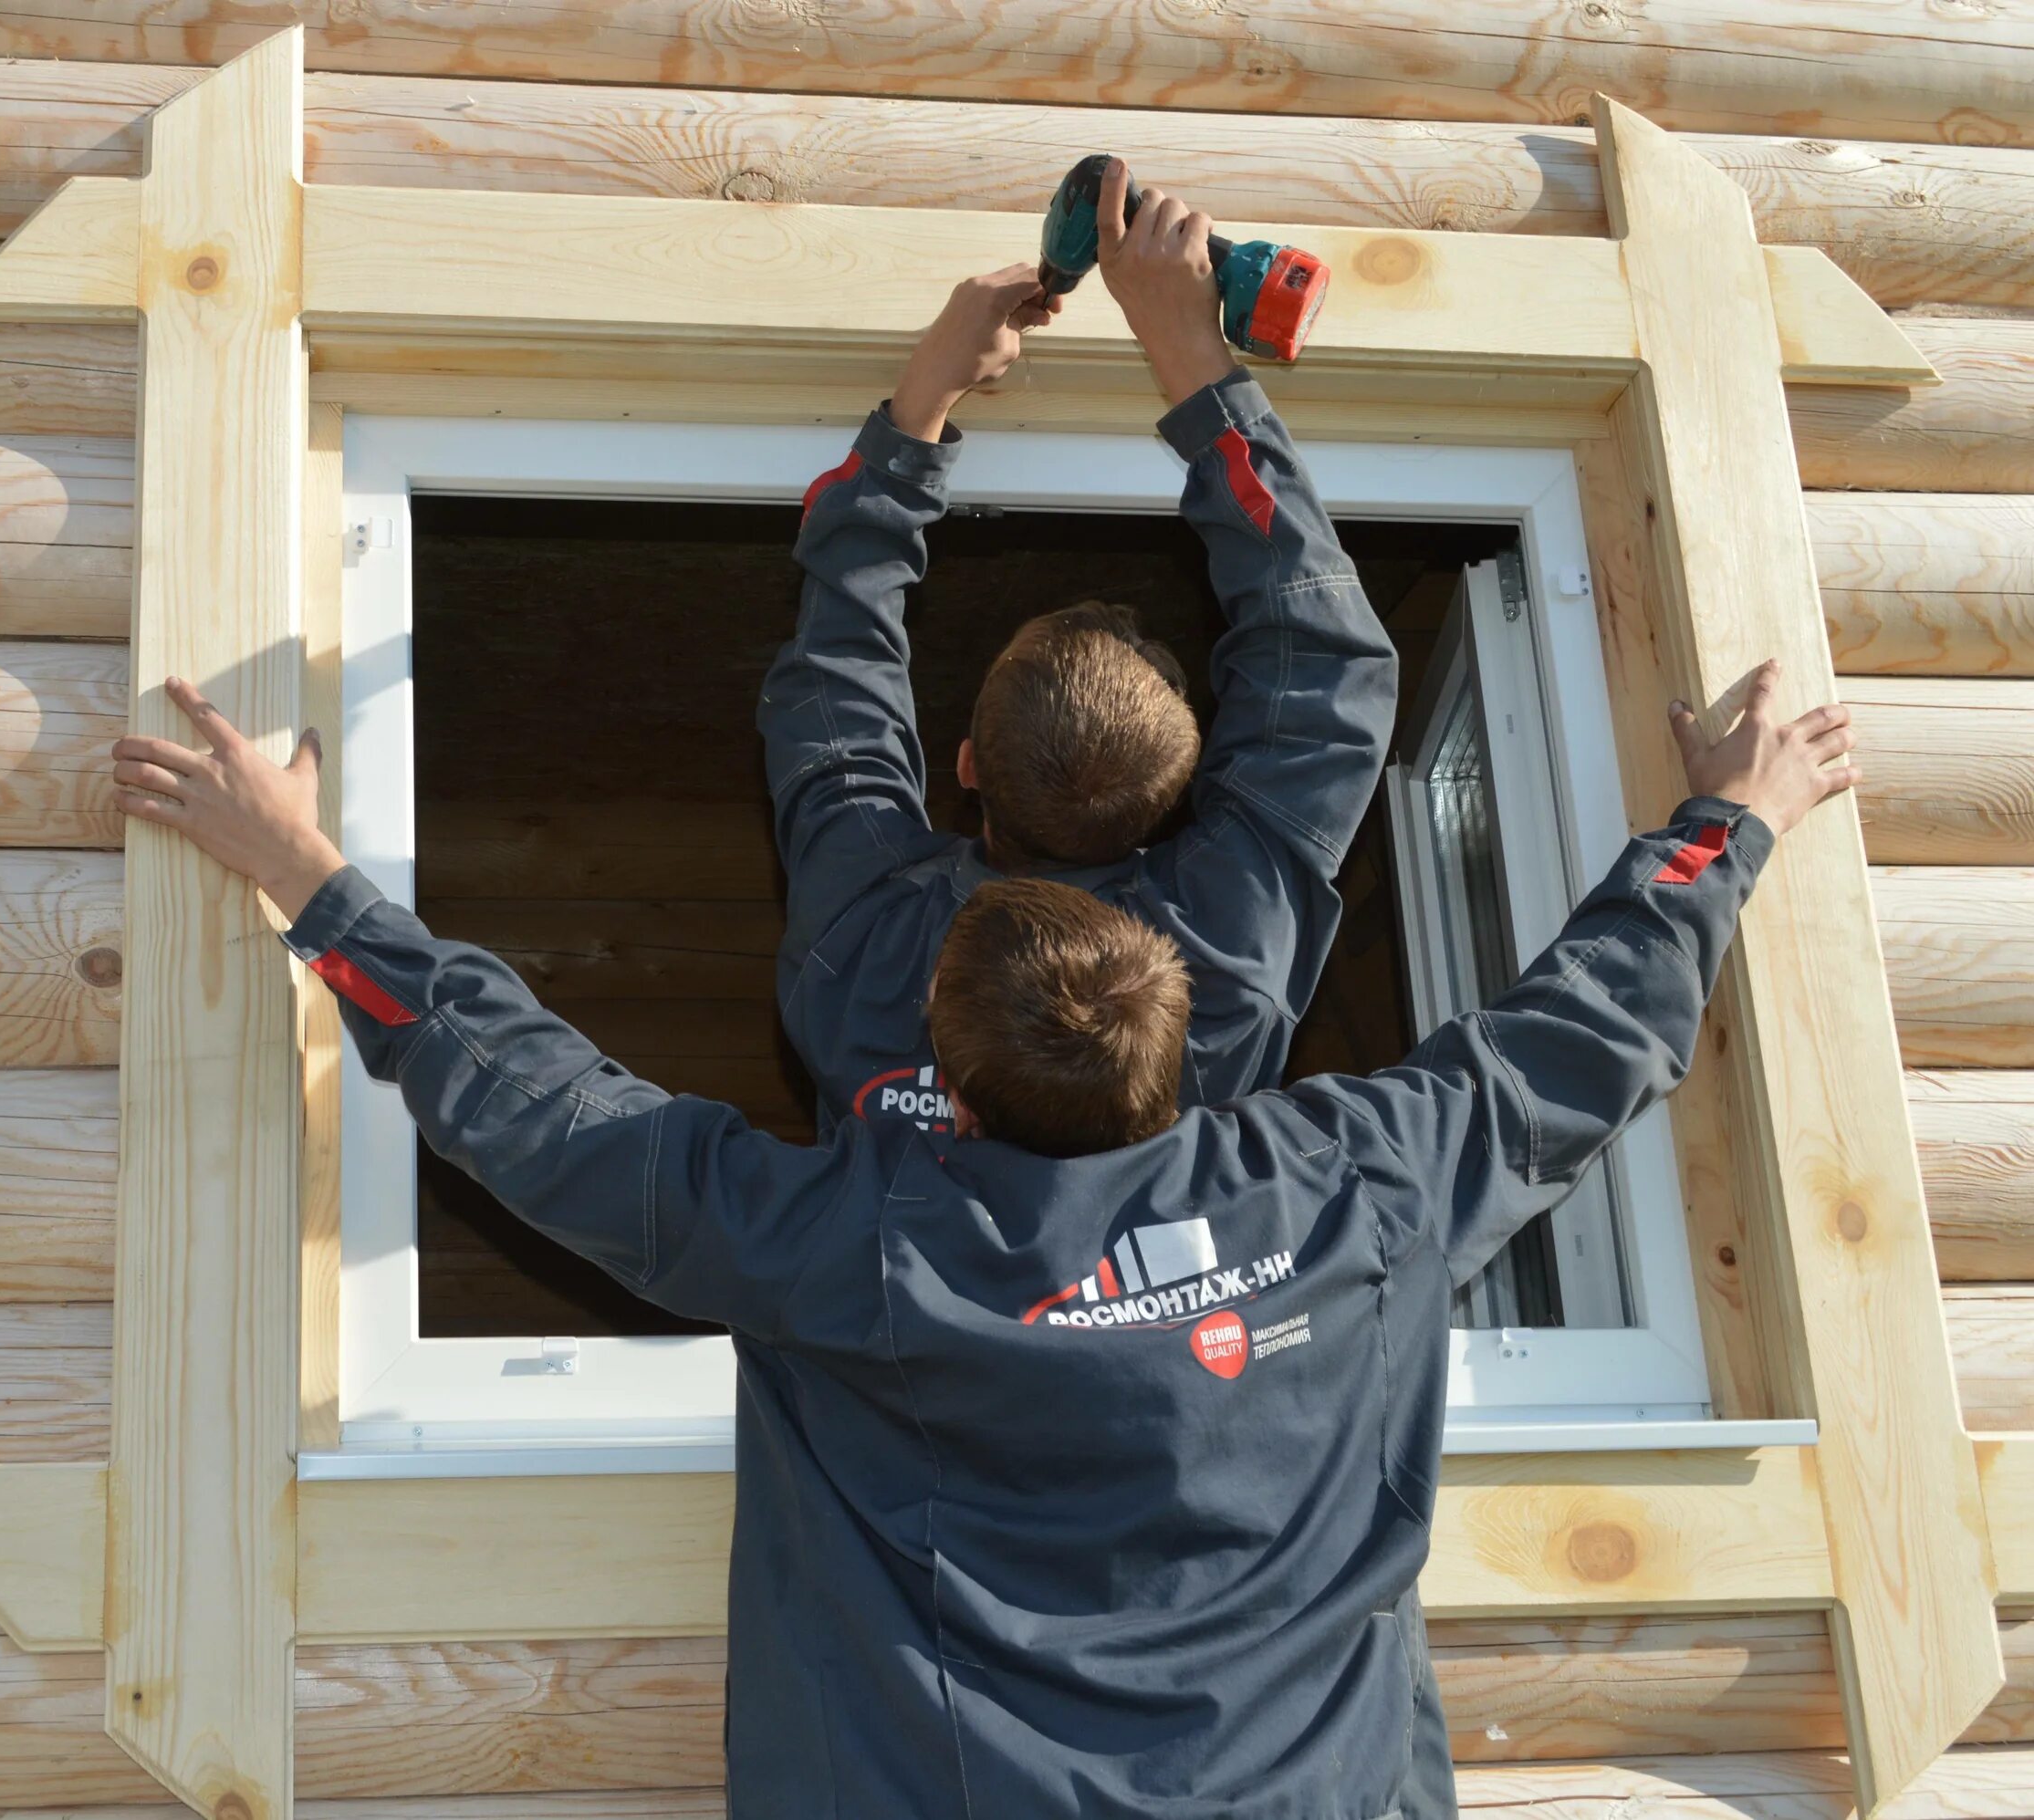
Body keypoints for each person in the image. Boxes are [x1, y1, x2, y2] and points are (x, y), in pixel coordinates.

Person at [111, 656, 1856, 1817]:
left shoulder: (861, 1239)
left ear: (931, 1068)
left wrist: (310, 876)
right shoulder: (1356, 1181)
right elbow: (1587, 1033)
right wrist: (1734, 819)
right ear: (1187, 1039)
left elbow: (549, 1115)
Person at [764, 166, 1398, 1143]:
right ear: (1178, 799)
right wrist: (1189, 348)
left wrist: (922, 402)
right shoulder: (1213, 964)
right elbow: (1321, 658)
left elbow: (837, 672)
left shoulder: (868, 931)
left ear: (966, 768)